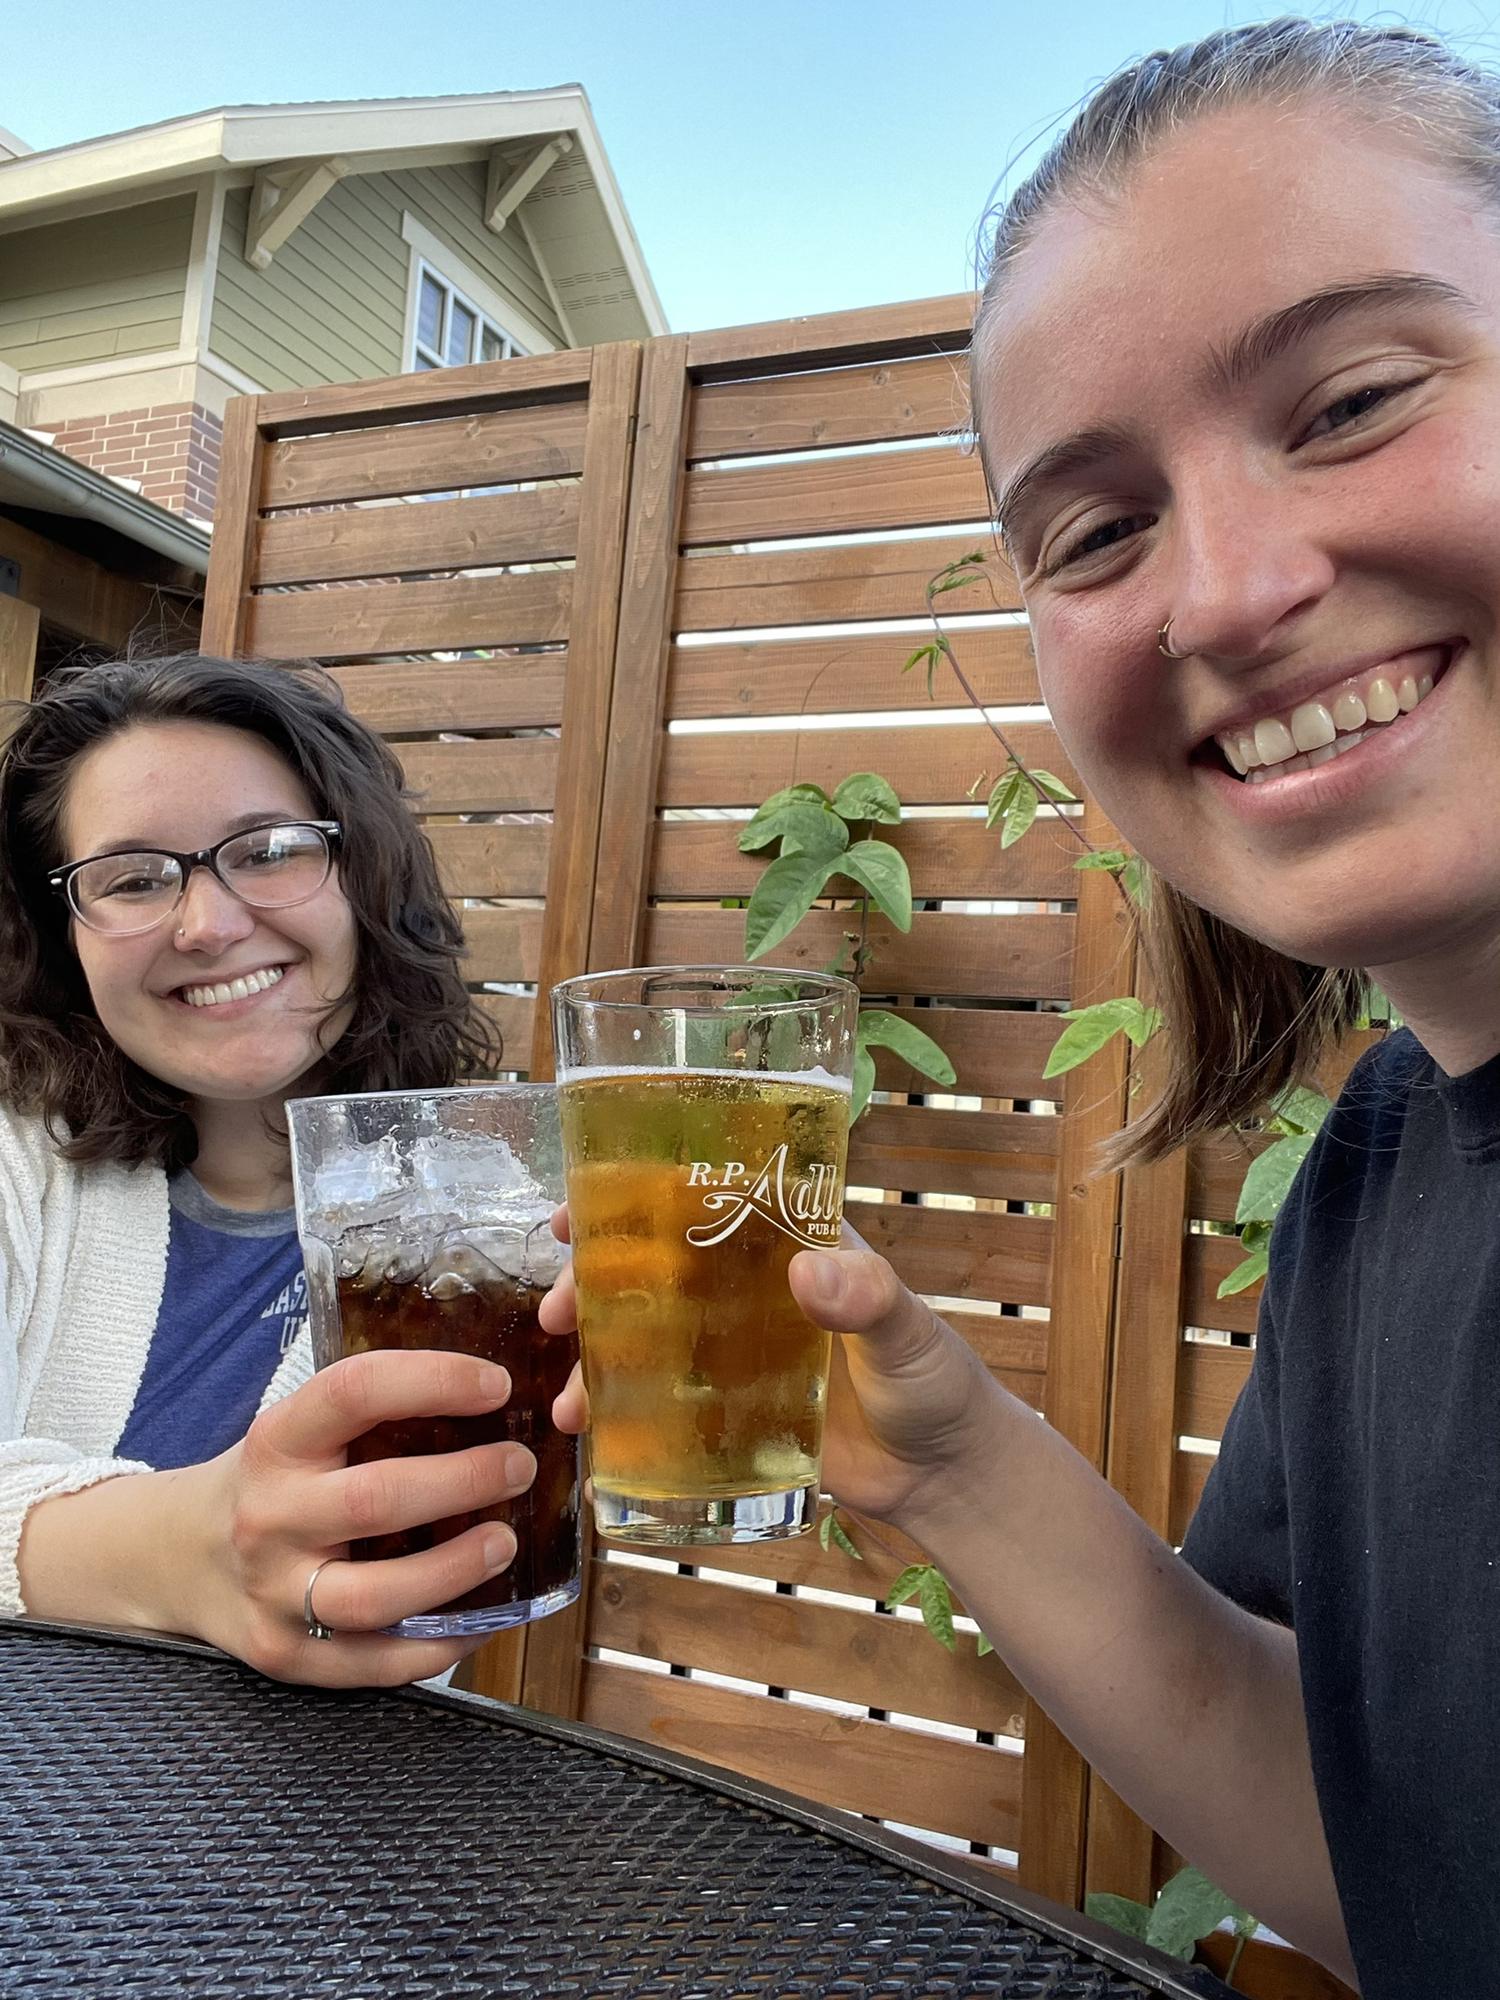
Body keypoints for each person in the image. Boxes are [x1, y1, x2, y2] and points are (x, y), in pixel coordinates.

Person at [552, 19, 1500, 1994]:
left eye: (1348, 402)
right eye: (1094, 530)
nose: (1228, 593)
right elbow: (1392, 1858)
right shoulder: (1375, 1175)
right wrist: (956, 1463)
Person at [0, 652, 533, 1688]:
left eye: (271, 850)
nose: (206, 923)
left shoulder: (484, 1225)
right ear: (66, 937)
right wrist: (188, 1553)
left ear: (365, 875)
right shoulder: (17, 1155)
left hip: (298, 1832)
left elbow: (420, 1619)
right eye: (134, 878)